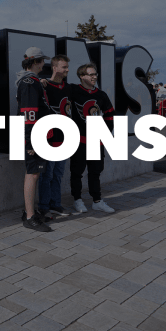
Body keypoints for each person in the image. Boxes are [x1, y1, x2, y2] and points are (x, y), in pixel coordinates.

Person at [69, 63, 116, 214]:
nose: (94, 77)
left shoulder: (101, 95)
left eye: (95, 74)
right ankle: (77, 200)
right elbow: (55, 88)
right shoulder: (73, 90)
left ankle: (97, 201)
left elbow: (109, 115)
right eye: (91, 74)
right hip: (80, 141)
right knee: (77, 172)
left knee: (95, 172)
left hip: (96, 141)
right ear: (82, 76)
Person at [16, 47, 53, 232]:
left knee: (35, 173)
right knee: (33, 174)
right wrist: (30, 142)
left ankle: (30, 212)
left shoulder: (32, 81)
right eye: (42, 61)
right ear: (36, 62)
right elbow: (28, 114)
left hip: (35, 134)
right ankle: (29, 216)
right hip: (33, 135)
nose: (44, 64)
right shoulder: (30, 82)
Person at [38, 55, 73, 216]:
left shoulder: (68, 88)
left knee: (58, 174)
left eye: (67, 67)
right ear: (54, 68)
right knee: (47, 174)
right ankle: (44, 206)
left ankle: (55, 203)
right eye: (64, 67)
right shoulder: (44, 85)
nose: (67, 69)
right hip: (49, 138)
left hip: (65, 138)